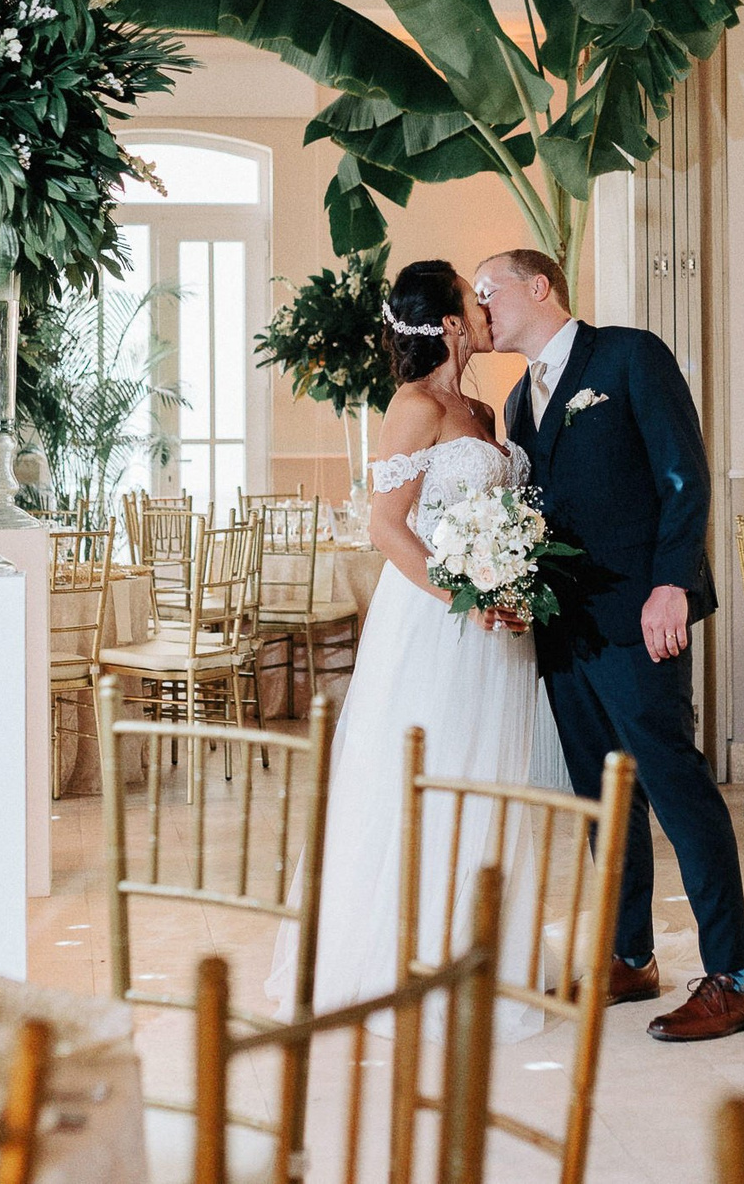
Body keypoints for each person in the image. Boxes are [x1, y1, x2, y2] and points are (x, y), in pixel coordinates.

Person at [473, 248, 744, 1042]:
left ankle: (736, 976)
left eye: (488, 289)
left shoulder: (631, 355)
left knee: (676, 786)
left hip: (642, 619)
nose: (480, 305)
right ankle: (630, 953)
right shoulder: (515, 404)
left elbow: (684, 473)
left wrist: (673, 580)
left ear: (539, 287)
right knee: (605, 798)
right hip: (563, 632)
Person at [264, 260, 553, 1037]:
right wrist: (470, 593)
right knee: (425, 774)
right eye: (473, 294)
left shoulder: (487, 410)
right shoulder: (415, 405)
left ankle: (483, 948)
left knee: (487, 774)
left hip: (497, 636)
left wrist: (512, 583)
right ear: (452, 323)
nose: (485, 305)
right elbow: (386, 527)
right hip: (435, 624)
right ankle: (402, 959)